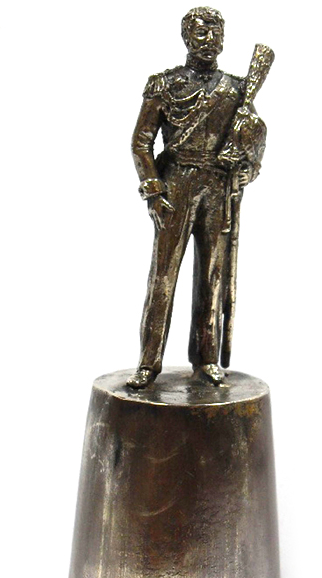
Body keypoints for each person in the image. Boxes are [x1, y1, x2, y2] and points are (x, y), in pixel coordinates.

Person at [127, 7, 264, 388]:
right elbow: (141, 142)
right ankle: (149, 362)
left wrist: (246, 167)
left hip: (217, 188)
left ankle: (206, 359)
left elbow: (253, 144)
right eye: (202, 34)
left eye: (216, 34)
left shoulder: (236, 90)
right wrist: (154, 191)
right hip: (177, 184)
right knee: (163, 276)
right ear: (186, 37)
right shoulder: (165, 85)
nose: (210, 41)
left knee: (212, 276)